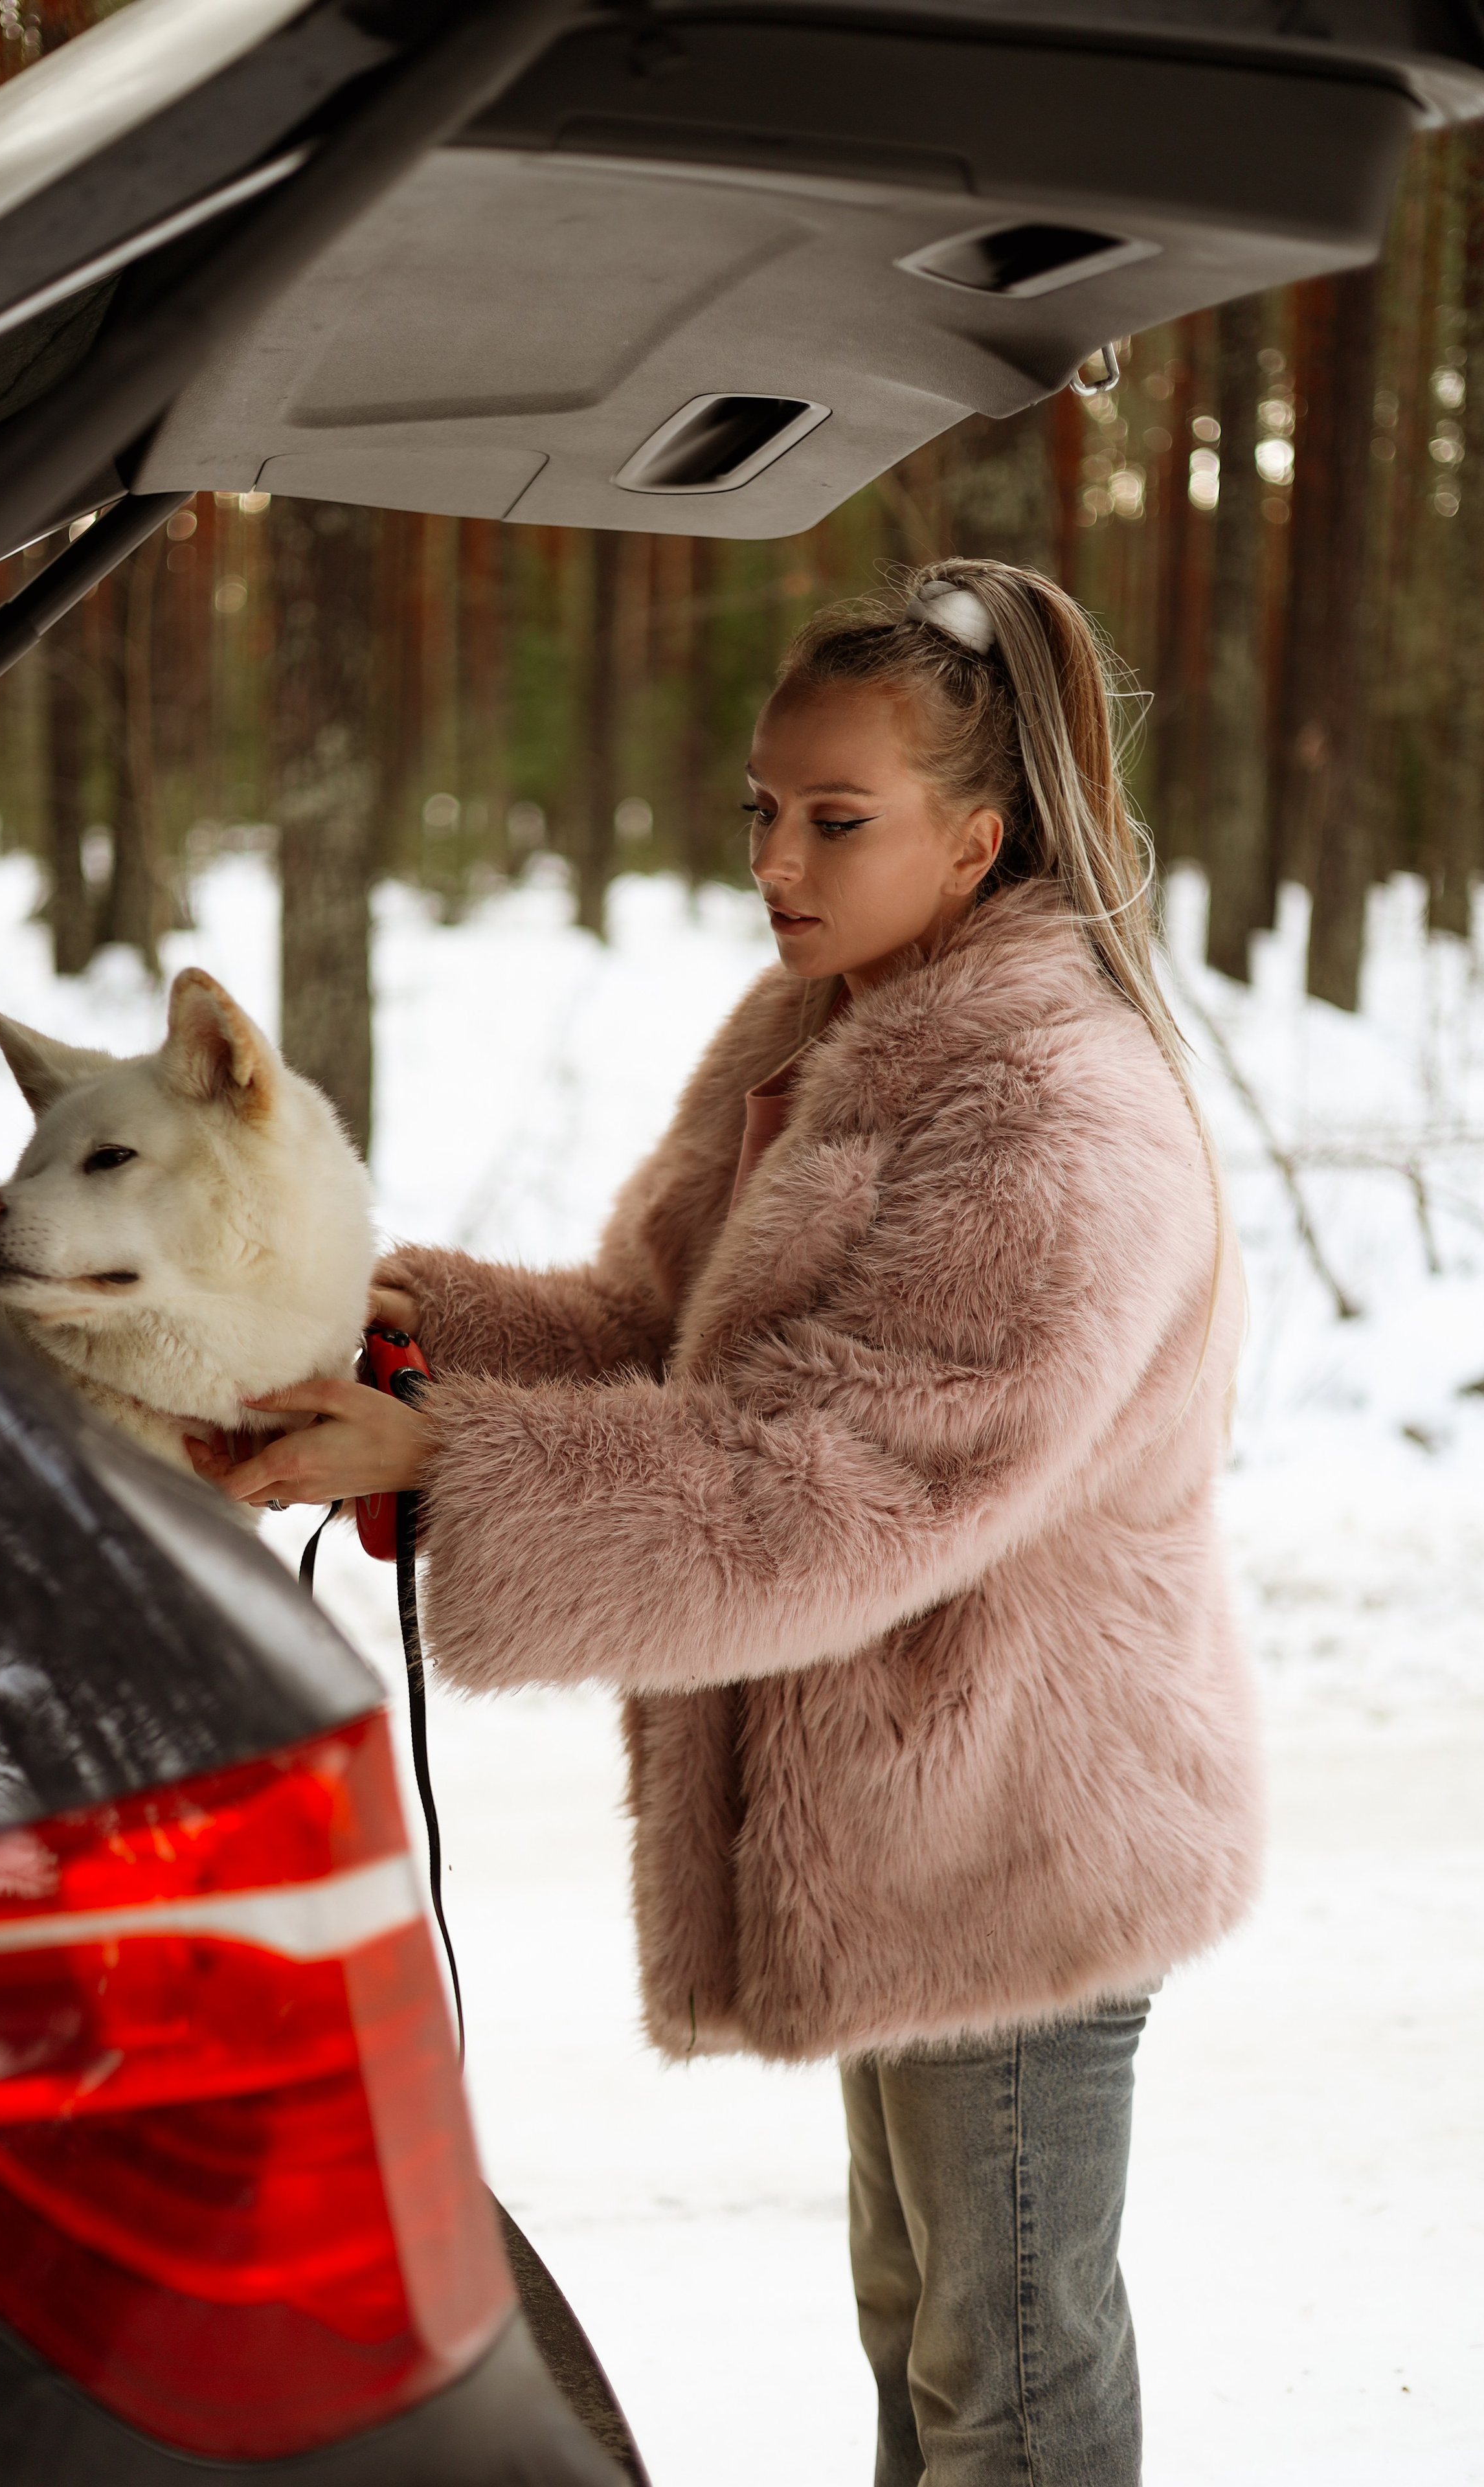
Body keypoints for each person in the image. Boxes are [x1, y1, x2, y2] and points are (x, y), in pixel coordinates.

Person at [190, 558, 1261, 2487]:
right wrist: (390, 1328)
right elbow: (655, 1335)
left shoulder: (1048, 1110)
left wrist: (448, 1467)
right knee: (922, 2321)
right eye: (764, 808)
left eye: (837, 819)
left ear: (981, 835)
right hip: (900, 1815)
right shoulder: (819, 1027)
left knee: (1005, 2371)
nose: (778, 855)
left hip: (1022, 1827)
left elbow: (843, 1489)